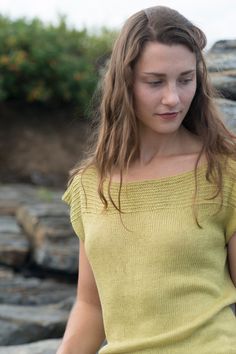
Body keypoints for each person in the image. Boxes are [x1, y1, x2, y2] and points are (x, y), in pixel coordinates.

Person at [57, 5, 236, 354]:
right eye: (155, 82)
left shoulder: (224, 172)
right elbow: (91, 307)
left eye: (185, 79)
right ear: (125, 84)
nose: (173, 98)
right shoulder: (89, 185)